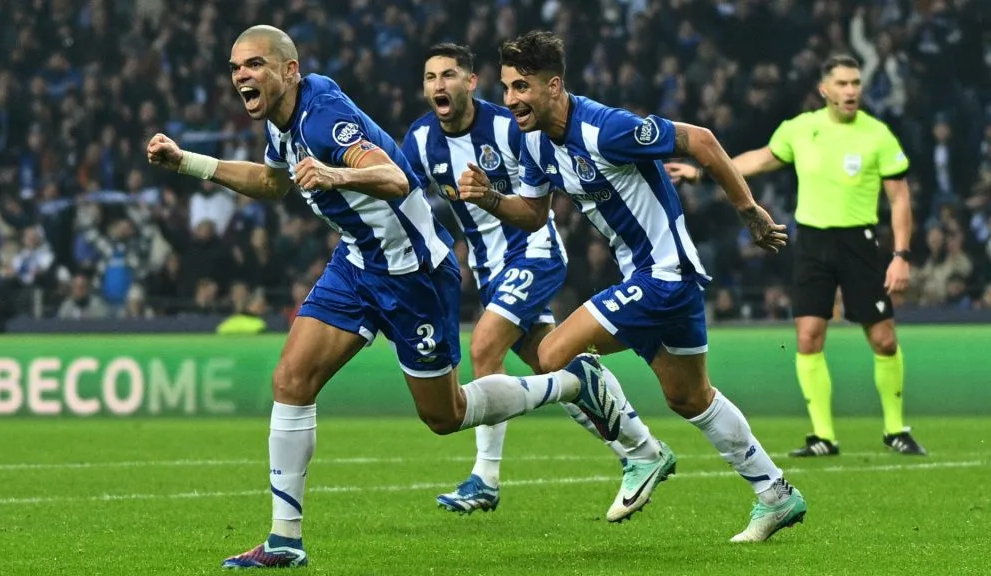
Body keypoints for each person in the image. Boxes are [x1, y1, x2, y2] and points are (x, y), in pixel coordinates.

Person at [146, 26, 623, 569]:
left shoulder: (323, 118)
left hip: (413, 272)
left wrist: (331, 172)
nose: (242, 77)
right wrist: (187, 161)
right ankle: (284, 540)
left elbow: (395, 178)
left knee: (446, 416)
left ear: (289, 70)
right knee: (291, 380)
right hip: (357, 262)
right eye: (235, 69)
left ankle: (569, 383)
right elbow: (274, 183)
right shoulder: (284, 122)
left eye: (254, 65)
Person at [457, 30, 806, 543]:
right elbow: (532, 215)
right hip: (652, 278)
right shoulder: (533, 141)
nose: (510, 100)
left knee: (551, 354)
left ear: (554, 85)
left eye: (522, 87)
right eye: (506, 88)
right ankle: (776, 494)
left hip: (663, 275)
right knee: (690, 398)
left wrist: (749, 211)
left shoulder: (607, 128)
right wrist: (489, 198)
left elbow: (703, 142)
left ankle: (640, 453)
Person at [402, 43, 673, 522]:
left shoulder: (508, 126)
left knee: (484, 346)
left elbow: (549, 184)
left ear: (470, 82)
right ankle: (643, 448)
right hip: (489, 271)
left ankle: (484, 478)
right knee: (560, 367)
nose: (438, 85)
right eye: (429, 77)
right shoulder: (421, 140)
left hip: (533, 252)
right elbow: (404, 200)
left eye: (448, 75)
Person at [666, 55, 926, 457]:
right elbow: (759, 160)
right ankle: (823, 437)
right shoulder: (801, 129)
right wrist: (704, 172)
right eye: (841, 83)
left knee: (884, 339)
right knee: (808, 338)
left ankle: (895, 429)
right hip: (812, 244)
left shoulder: (878, 135)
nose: (851, 90)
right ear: (825, 89)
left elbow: (900, 199)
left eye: (855, 82)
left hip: (861, 244)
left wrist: (902, 254)